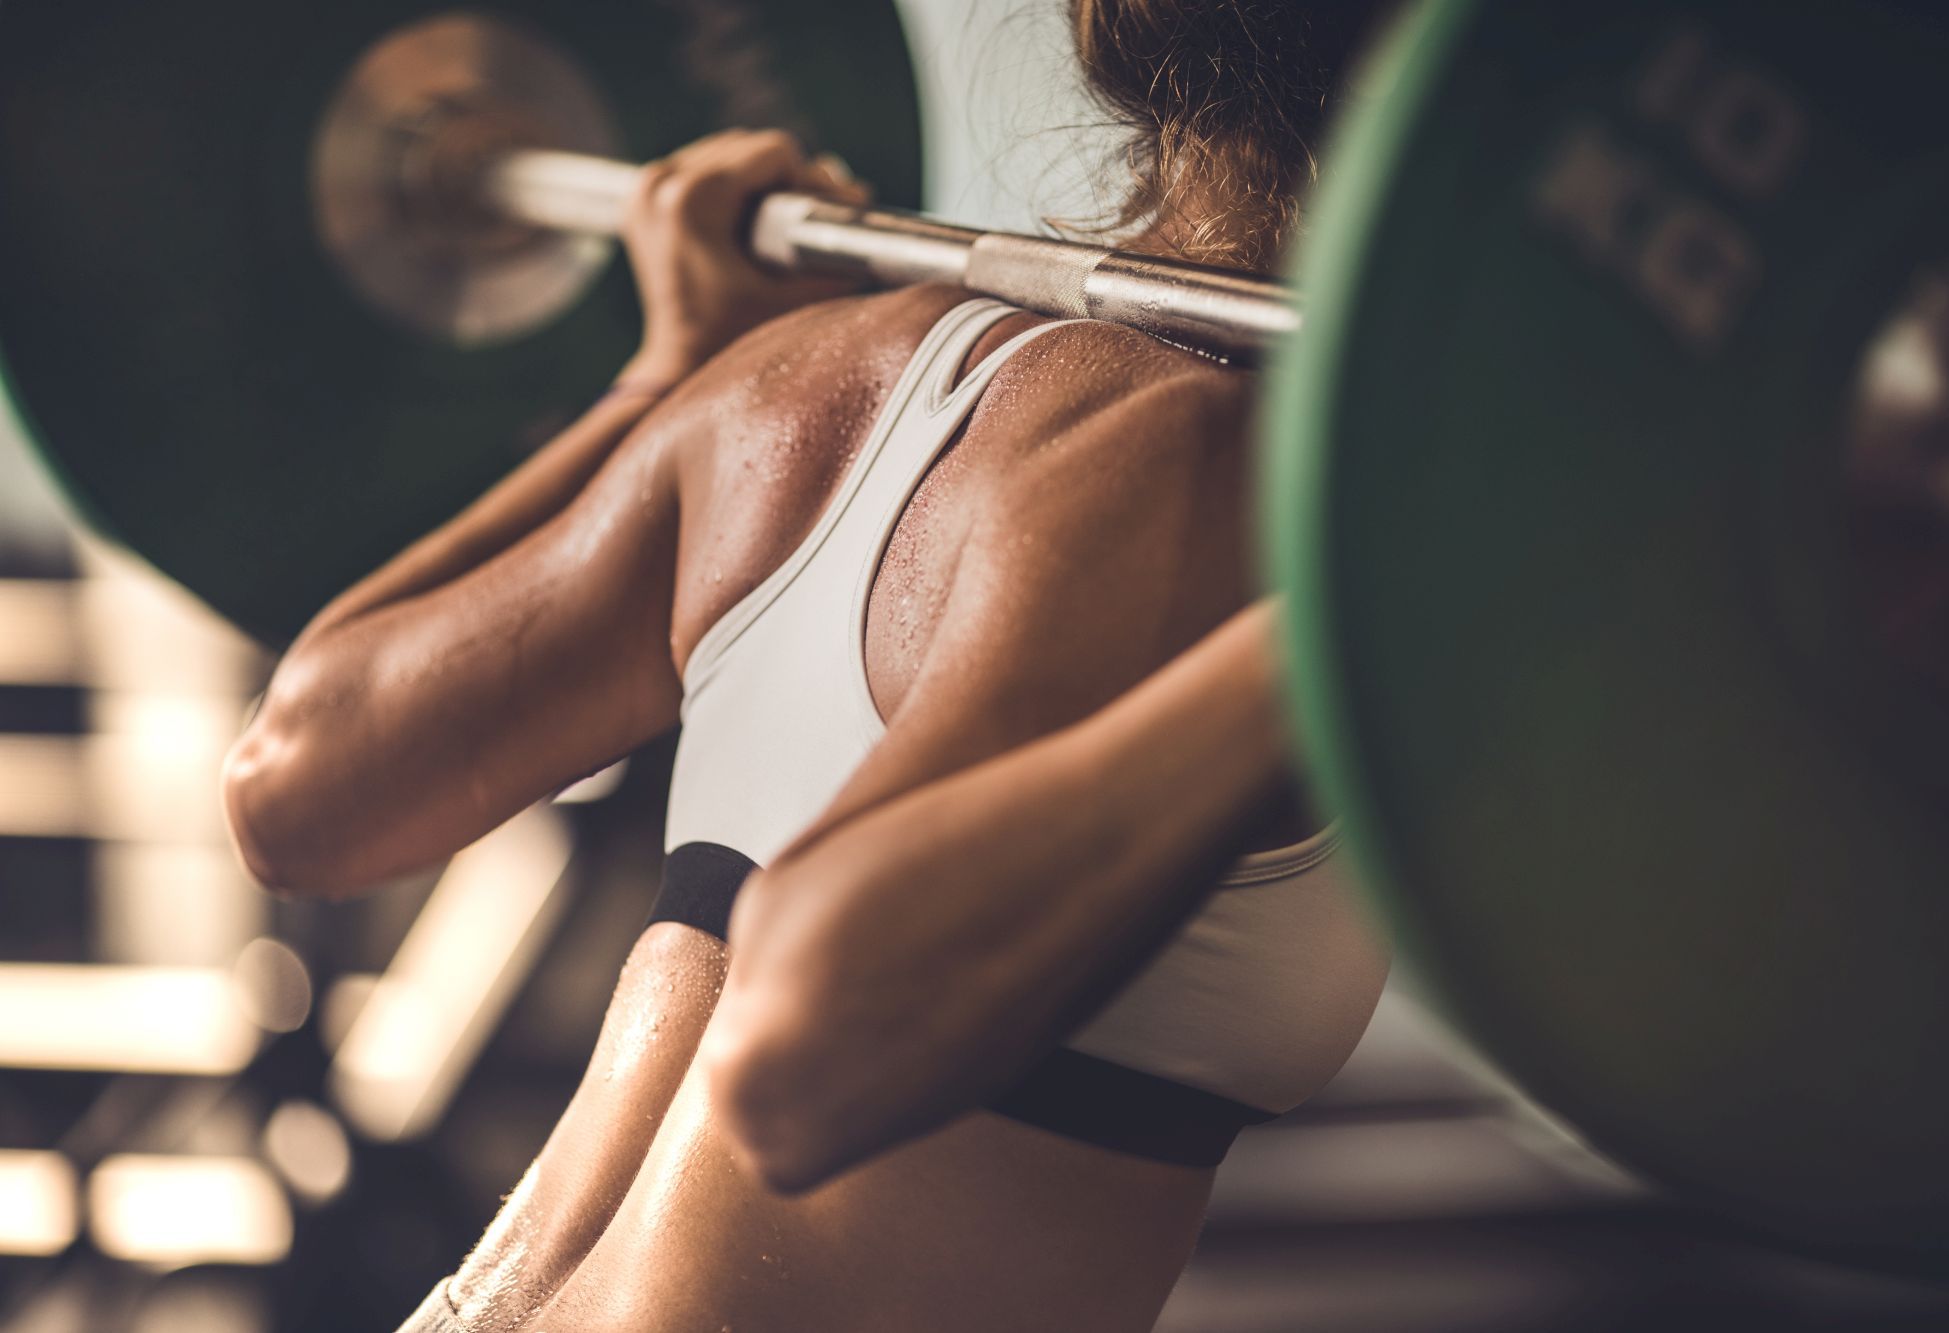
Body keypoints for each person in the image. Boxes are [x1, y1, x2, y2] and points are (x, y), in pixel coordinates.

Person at [223, 3, 1397, 1329]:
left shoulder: (803, 376)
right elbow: (797, 1047)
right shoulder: (1213, 479)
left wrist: (660, 375)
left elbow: (299, 782)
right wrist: (1348, 611)